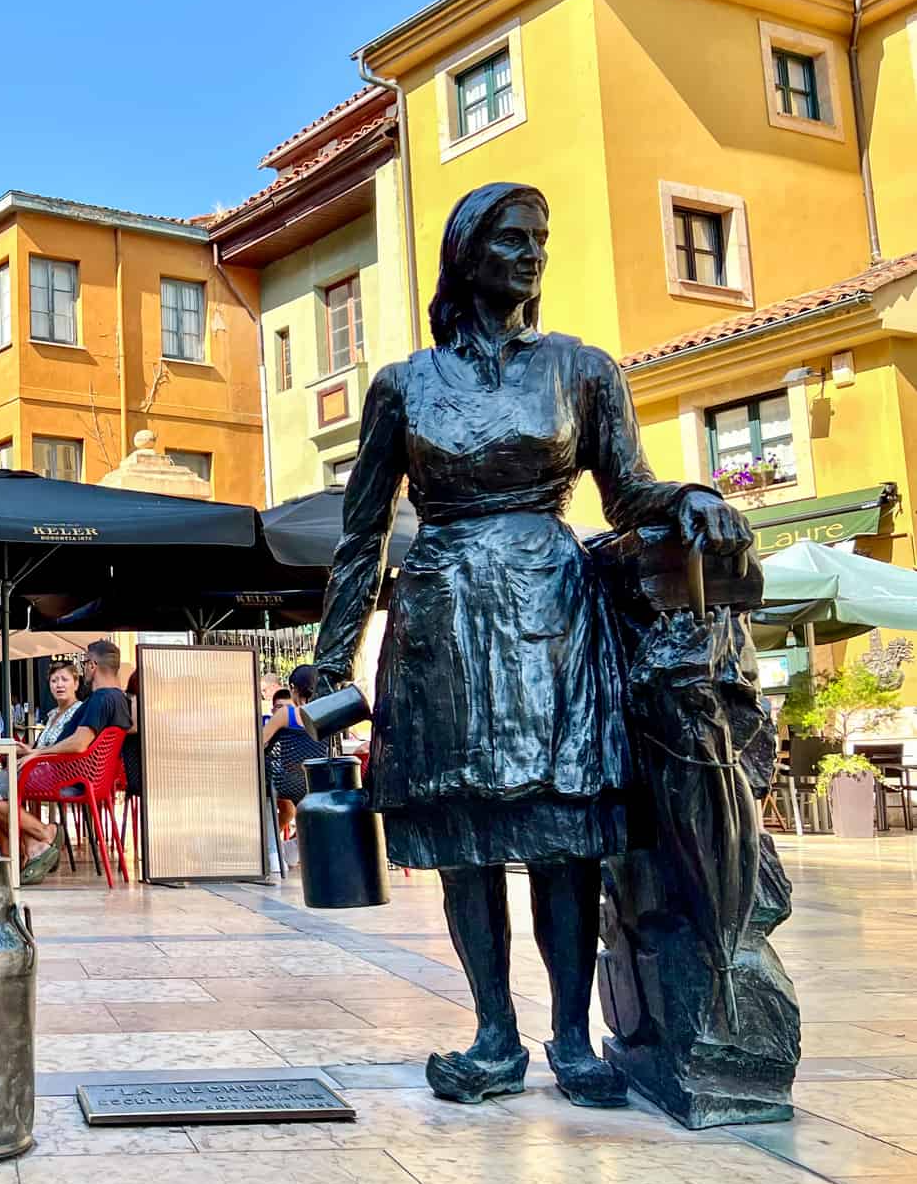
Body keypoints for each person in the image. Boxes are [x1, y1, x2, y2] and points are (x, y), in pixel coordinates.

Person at [314, 183, 751, 1109]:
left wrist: (686, 496)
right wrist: (329, 658)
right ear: (467, 254)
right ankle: (493, 1036)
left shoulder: (581, 369)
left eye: (540, 240)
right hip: (442, 627)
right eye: (512, 240)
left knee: (563, 835)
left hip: (552, 614)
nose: (531, 255)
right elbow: (361, 537)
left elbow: (626, 491)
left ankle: (572, 1039)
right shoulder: (404, 385)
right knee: (468, 839)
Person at [0, 640, 134, 884]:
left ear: (92, 665)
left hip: (63, 774)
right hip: (80, 775)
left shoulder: (100, 698)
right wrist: (37, 752)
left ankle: (43, 833)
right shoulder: (118, 699)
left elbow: (79, 743)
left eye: (85, 663)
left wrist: (38, 754)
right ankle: (23, 847)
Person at [261, 666, 322, 840]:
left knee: (264, 792)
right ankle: (292, 849)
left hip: (287, 783)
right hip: (317, 783)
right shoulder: (326, 715)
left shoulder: (285, 714)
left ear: (294, 689)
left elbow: (261, 743)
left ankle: (271, 851)